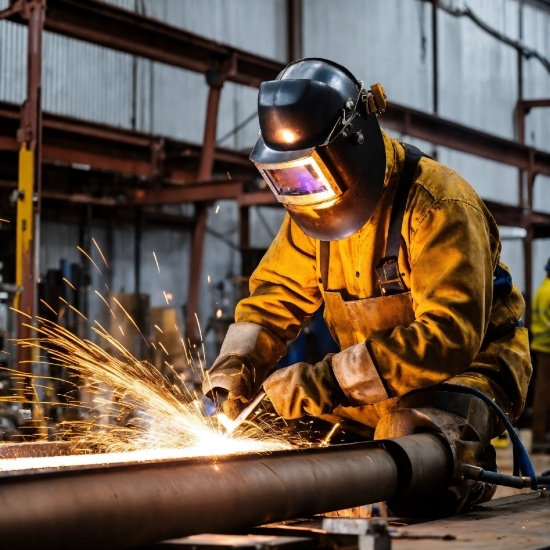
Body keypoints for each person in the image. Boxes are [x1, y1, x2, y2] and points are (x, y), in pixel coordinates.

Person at [203, 58, 531, 454]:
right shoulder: (312, 217)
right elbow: (274, 298)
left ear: (352, 145)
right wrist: (234, 369)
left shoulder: (438, 205)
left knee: (409, 445)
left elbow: (449, 337)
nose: (306, 192)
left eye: (311, 173)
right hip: (370, 389)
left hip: (468, 374)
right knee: (265, 433)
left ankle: (468, 470)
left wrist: (325, 381)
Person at [530, 259, 550, 452]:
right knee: (543, 396)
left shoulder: (543, 289)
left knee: (542, 394)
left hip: (541, 348)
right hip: (546, 350)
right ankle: (539, 438)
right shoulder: (548, 292)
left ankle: (540, 436)